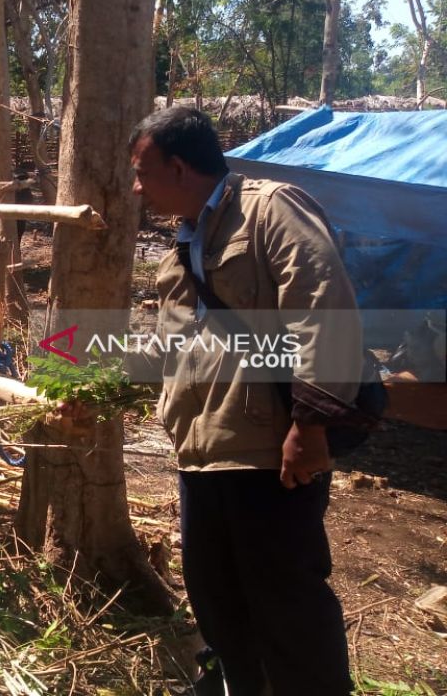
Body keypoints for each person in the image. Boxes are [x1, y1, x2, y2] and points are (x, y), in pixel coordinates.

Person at [126, 106, 360, 695]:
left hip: (268, 451)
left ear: (178, 167)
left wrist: (310, 425)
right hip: (200, 451)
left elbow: (322, 309)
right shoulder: (180, 246)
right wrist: (87, 373)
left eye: (142, 172)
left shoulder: (271, 210)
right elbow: (172, 350)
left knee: (286, 599)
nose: (136, 186)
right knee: (216, 596)